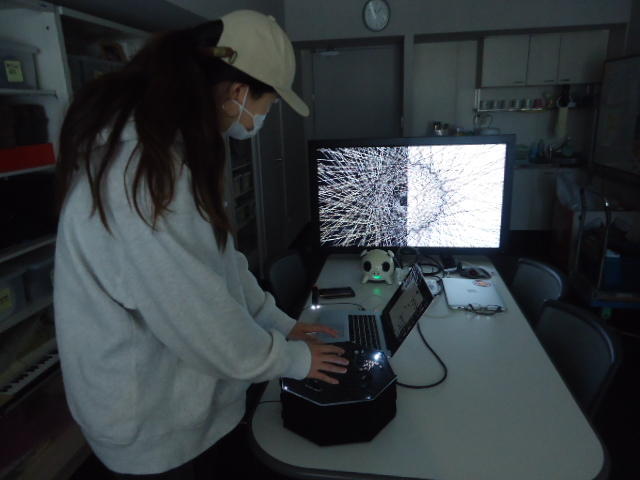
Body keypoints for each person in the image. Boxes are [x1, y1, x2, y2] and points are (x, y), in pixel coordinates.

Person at [53, 10, 348, 478]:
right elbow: (200, 316)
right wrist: (292, 360)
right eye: (269, 104)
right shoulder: (143, 177)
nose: (264, 118)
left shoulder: (170, 149)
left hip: (174, 404)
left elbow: (220, 264)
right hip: (150, 425)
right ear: (238, 94)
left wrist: (281, 325)